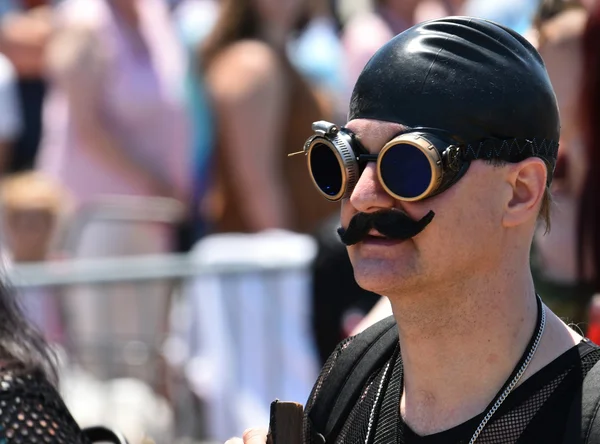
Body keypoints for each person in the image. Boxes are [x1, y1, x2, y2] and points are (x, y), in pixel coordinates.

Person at [226, 16, 600, 444]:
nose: (363, 195)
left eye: (407, 166)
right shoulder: (354, 373)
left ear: (518, 192)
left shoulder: (584, 416)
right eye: (343, 162)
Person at [199, 0, 337, 234]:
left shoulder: (281, 57)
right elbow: (256, 184)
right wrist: (289, 254)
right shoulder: (252, 64)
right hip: (266, 252)